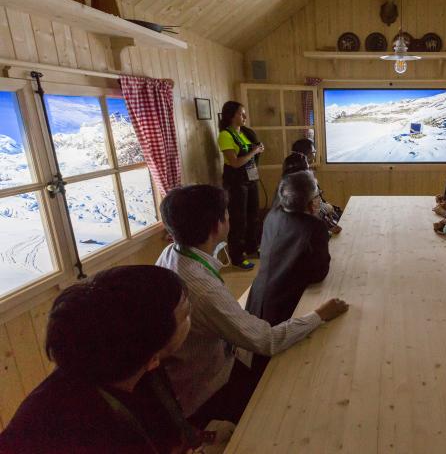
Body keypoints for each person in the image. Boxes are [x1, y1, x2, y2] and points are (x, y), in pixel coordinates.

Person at [156, 185, 348, 426]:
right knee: (299, 391)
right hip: (208, 389)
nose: (229, 216)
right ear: (217, 225)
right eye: (226, 212)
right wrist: (318, 315)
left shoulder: (171, 253)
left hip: (192, 371)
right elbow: (267, 341)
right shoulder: (204, 289)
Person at [0, 266, 193, 454]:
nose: (191, 315)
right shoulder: (77, 429)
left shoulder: (109, 364)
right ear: (152, 358)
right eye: (186, 315)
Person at [245, 171, 332, 372]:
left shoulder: (273, 214)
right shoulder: (315, 226)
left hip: (258, 295)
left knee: (258, 355)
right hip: (286, 303)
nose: (319, 198)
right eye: (317, 194)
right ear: (312, 203)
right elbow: (320, 273)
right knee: (276, 366)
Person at [218, 100, 264, 270]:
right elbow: (235, 162)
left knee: (253, 215)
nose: (244, 116)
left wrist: (257, 148)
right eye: (241, 113)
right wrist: (254, 151)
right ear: (231, 116)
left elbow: (250, 153)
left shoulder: (244, 132)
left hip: (250, 180)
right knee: (239, 220)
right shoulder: (225, 135)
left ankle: (252, 248)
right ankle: (237, 257)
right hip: (236, 182)